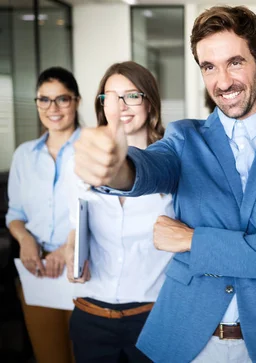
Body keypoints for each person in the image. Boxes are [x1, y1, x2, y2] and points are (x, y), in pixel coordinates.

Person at [72, 6, 256, 363]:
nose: (222, 82)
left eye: (235, 62)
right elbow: (145, 170)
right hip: (189, 337)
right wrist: (114, 167)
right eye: (209, 67)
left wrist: (191, 239)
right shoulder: (184, 137)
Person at [64, 61, 174, 363]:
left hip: (152, 318)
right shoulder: (82, 163)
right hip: (91, 315)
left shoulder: (172, 165)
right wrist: (72, 249)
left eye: (131, 96)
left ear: (149, 101)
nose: (120, 106)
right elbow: (77, 227)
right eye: (110, 96)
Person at [6, 67, 80, 363]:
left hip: (81, 268)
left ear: (76, 101)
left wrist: (65, 249)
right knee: (49, 357)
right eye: (44, 100)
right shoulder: (24, 155)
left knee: (84, 356)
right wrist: (24, 239)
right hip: (36, 271)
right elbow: (15, 214)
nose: (53, 108)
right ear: (36, 104)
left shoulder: (93, 147)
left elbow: (104, 211)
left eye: (62, 99)